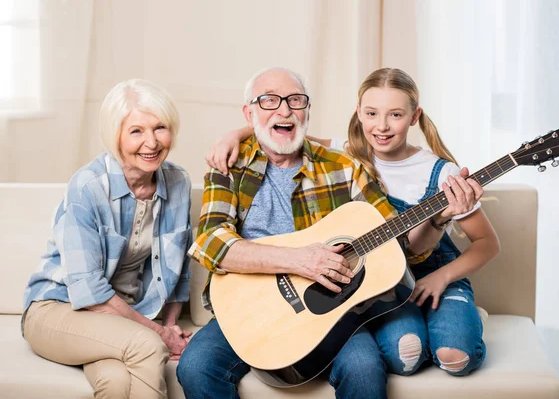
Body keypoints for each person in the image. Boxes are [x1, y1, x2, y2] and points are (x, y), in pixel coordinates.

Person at [177, 66, 483, 399]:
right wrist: (296, 260)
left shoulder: (345, 166)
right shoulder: (229, 168)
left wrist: (438, 219)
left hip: (330, 312)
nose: (284, 110)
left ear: (307, 111)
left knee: (364, 369)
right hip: (248, 305)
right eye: (269, 101)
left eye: (295, 100)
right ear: (249, 113)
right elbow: (209, 241)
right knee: (196, 367)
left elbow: (401, 247)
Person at [22, 79, 193, 399]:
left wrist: (170, 324)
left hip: (118, 318)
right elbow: (91, 294)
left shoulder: (178, 181)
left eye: (160, 128)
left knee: (116, 382)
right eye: (136, 131)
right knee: (147, 346)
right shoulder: (88, 187)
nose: (152, 142)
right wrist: (160, 335)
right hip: (56, 309)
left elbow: (179, 271)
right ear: (114, 135)